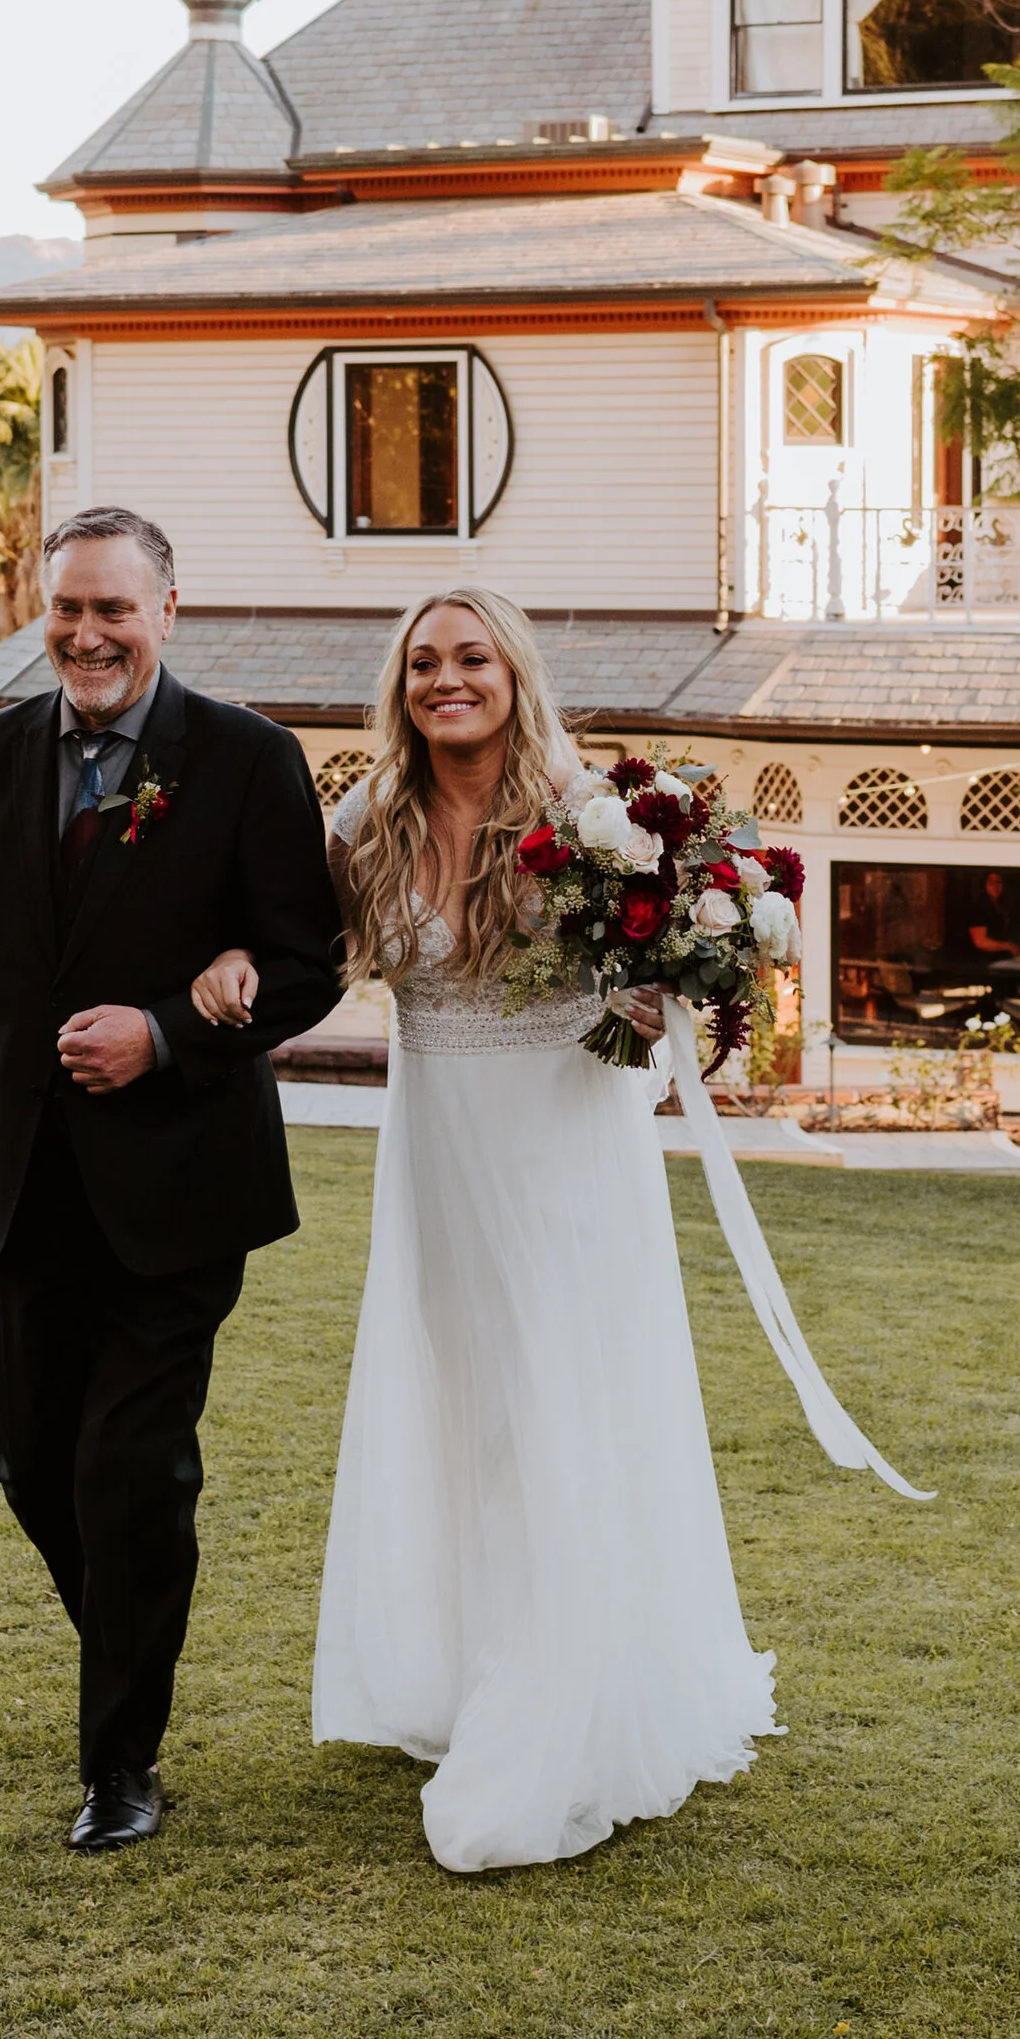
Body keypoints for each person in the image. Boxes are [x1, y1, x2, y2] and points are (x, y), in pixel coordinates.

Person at [194, 585, 781, 1873]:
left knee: (552, 1409)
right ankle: (492, 1663)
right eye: (423, 663)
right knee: (474, 1414)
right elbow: (294, 941)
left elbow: (666, 979)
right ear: (400, 687)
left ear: (514, 674)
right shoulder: (369, 819)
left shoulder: (592, 813)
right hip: (443, 1161)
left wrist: (655, 1003)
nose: (445, 680)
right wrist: (232, 958)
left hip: (565, 1151)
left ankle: (553, 1711)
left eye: (471, 658)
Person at [0, 505, 342, 1854]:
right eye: (68, 609)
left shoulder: (249, 759)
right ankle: (132, 1643)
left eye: (114, 610)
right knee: (34, 1462)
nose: (87, 635)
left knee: (131, 1470)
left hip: (181, 1189)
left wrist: (168, 1033)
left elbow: (306, 964)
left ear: (167, 613)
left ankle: (122, 1761)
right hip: (18, 1184)